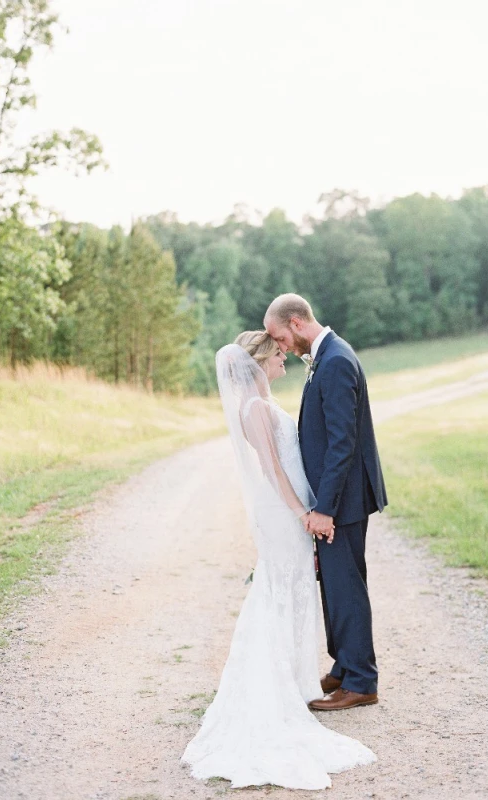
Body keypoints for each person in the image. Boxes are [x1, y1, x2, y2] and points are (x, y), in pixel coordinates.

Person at [181, 330, 376, 790]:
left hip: (294, 513)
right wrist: (303, 513)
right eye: (279, 356)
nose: (284, 361)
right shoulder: (253, 410)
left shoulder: (261, 403)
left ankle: (297, 677)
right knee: (281, 591)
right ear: (260, 361)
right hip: (286, 513)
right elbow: (271, 470)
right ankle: (280, 685)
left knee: (292, 591)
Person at [264, 294, 387, 712]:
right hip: (338, 498)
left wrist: (325, 509)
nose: (280, 346)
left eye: (280, 337)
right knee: (335, 588)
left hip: (344, 500)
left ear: (296, 323)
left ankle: (361, 681)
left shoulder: (334, 361)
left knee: (346, 588)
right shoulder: (326, 356)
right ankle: (344, 667)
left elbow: (342, 444)